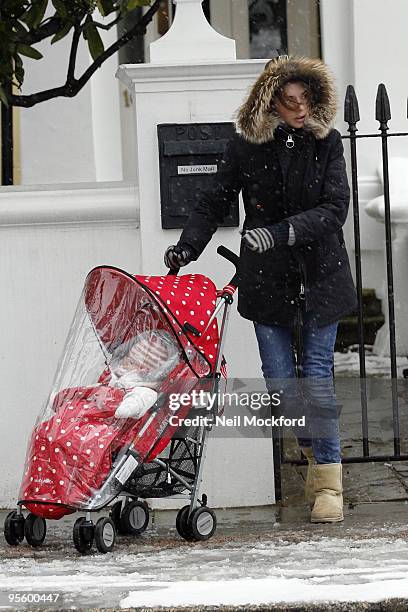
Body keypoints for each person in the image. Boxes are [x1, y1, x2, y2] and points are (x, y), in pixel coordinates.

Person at [163, 55, 357, 523]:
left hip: (321, 274)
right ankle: (315, 458)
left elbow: (336, 207)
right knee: (278, 383)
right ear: (270, 103)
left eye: (306, 100)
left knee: (316, 376)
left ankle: (328, 486)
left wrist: (284, 232)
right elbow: (214, 200)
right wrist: (188, 248)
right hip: (267, 278)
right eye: (289, 101)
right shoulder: (245, 147)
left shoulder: (327, 143)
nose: (299, 109)